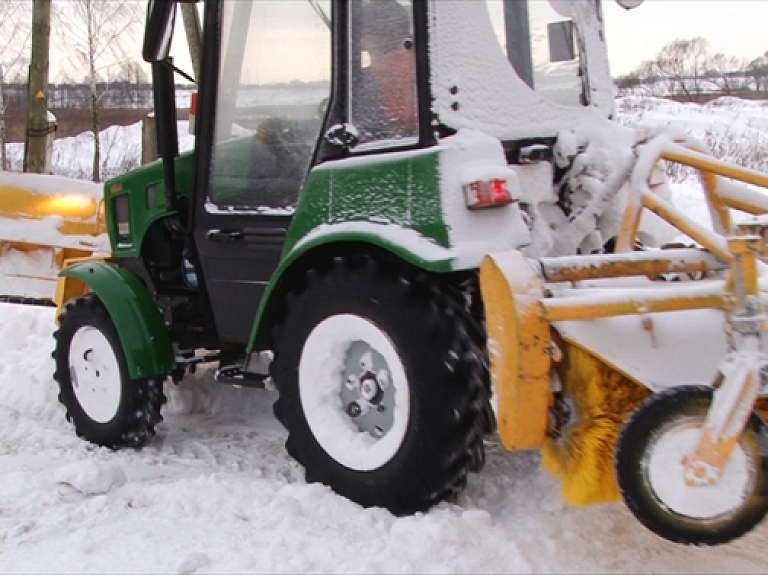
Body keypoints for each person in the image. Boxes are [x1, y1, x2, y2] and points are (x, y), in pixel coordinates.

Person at [353, 0, 417, 141]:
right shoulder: (425, 65)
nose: (360, 41)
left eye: (361, 34)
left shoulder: (369, 80)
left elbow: (363, 131)